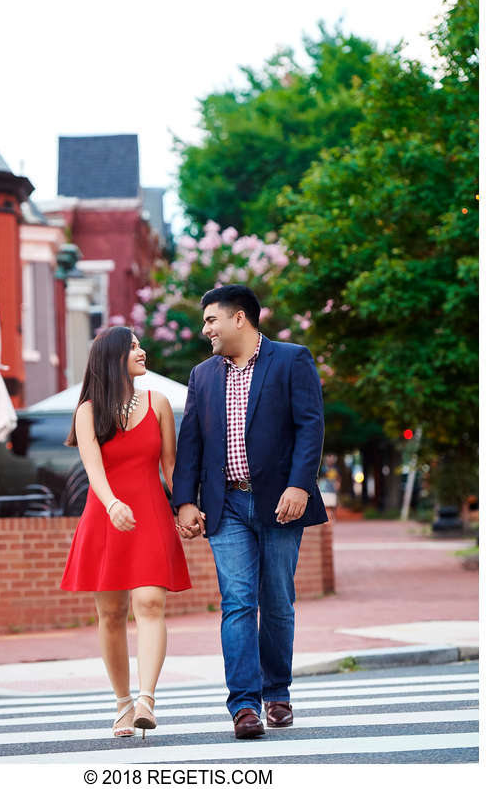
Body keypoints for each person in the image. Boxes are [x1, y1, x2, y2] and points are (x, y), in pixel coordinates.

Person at [173, 285, 326, 740]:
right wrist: (184, 500)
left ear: (239, 318)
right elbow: (191, 444)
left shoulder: (291, 359)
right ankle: (244, 706)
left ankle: (277, 693)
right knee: (238, 601)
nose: (206, 330)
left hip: (281, 501)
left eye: (211, 321)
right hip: (227, 505)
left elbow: (310, 425)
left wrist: (300, 484)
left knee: (277, 600)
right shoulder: (202, 376)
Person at [60, 325, 191, 738]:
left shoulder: (160, 404)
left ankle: (147, 699)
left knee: (150, 603)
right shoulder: (87, 411)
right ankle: (122, 703)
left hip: (150, 514)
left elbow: (171, 467)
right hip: (106, 516)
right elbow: (94, 472)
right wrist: (113, 504)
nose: (142, 350)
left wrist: (186, 506)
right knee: (111, 612)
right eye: (133, 346)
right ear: (112, 357)